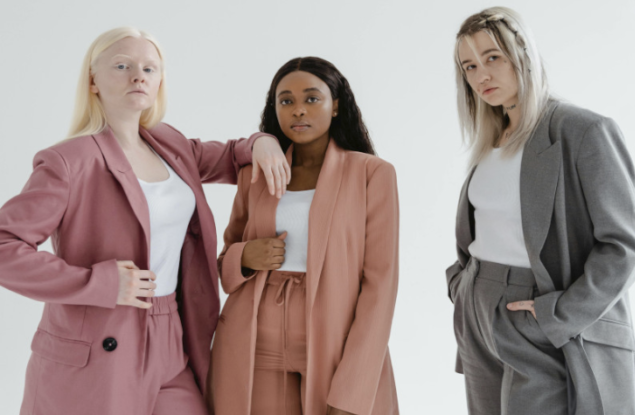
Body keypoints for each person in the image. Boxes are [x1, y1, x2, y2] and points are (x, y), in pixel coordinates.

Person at [0, 27, 289, 415]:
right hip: (101, 337)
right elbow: (6, 247)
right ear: (93, 80)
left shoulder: (169, 144)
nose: (139, 76)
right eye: (122, 65)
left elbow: (230, 156)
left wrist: (262, 141)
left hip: (172, 332)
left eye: (150, 69)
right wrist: (98, 283)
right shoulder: (68, 161)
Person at [447, 6, 635, 415]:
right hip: (479, 311)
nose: (481, 75)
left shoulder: (583, 131)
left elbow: (624, 245)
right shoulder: (490, 142)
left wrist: (559, 315)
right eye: (469, 65)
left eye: (492, 58)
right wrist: (461, 287)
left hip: (538, 312)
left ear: (523, 54)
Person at [209, 57, 399, 415]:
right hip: (254, 342)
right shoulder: (256, 174)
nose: (298, 110)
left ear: (336, 104)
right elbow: (224, 265)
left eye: (312, 99)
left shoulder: (373, 174)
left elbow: (381, 284)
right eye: (286, 101)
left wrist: (354, 392)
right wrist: (245, 257)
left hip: (334, 338)